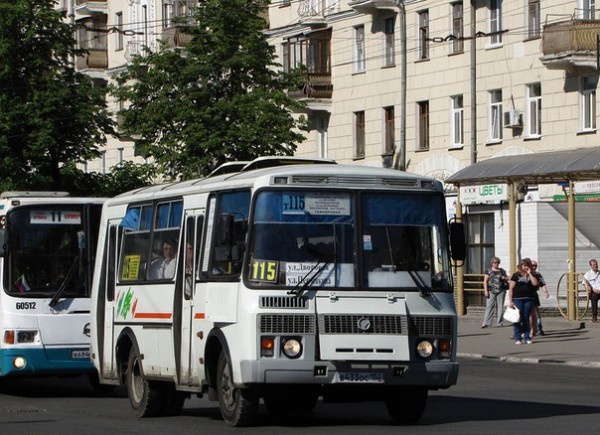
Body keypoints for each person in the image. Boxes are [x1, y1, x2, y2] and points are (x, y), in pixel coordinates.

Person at [507, 258, 538, 345]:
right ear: (521, 266)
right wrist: (510, 301)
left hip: (528, 299)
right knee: (517, 318)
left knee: (526, 318)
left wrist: (530, 274)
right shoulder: (516, 275)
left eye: (527, 266)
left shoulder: (532, 274)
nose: (525, 267)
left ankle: (527, 337)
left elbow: (535, 284)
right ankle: (517, 337)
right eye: (524, 265)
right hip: (517, 299)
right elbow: (511, 289)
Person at [481, 256, 509, 328]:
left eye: (497, 262)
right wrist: (486, 291)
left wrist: (505, 278)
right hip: (491, 291)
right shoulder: (488, 271)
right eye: (495, 262)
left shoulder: (502, 271)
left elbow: (508, 278)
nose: (496, 264)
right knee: (489, 307)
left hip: (501, 290)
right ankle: (486, 323)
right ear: (492, 263)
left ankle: (499, 323)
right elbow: (485, 281)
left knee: (500, 307)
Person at [530, 260, 549, 337]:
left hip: (534, 295)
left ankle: (539, 329)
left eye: (535, 266)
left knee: (536, 313)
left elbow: (542, 284)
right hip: (525, 295)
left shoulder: (537, 274)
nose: (534, 267)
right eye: (533, 265)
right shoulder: (525, 274)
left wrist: (545, 292)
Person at [583, 258, 600, 323]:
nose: (596, 266)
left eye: (596, 264)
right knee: (594, 297)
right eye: (594, 265)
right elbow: (585, 284)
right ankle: (594, 315)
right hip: (593, 291)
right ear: (591, 266)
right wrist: (592, 289)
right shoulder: (588, 274)